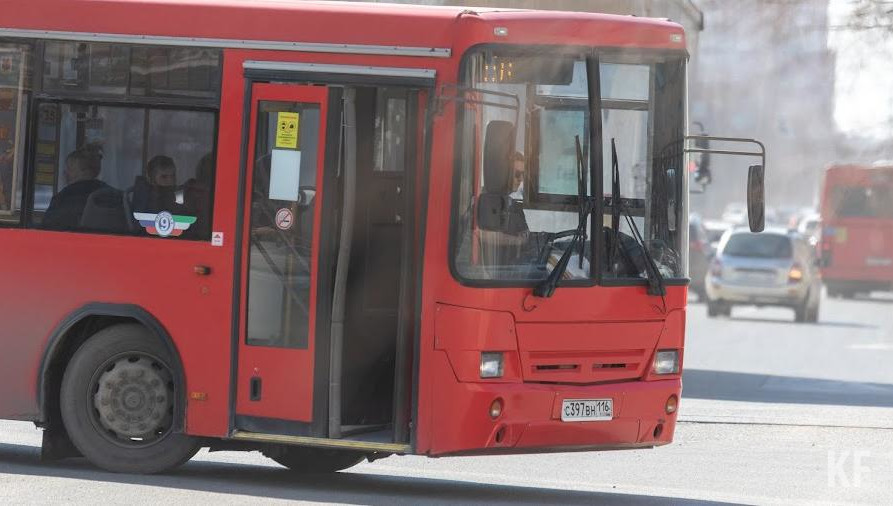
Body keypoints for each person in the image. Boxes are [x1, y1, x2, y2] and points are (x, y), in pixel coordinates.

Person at [42, 146, 108, 230]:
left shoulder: (65, 198)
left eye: (70, 168)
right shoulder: (112, 195)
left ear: (84, 171)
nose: (65, 173)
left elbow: (47, 228)